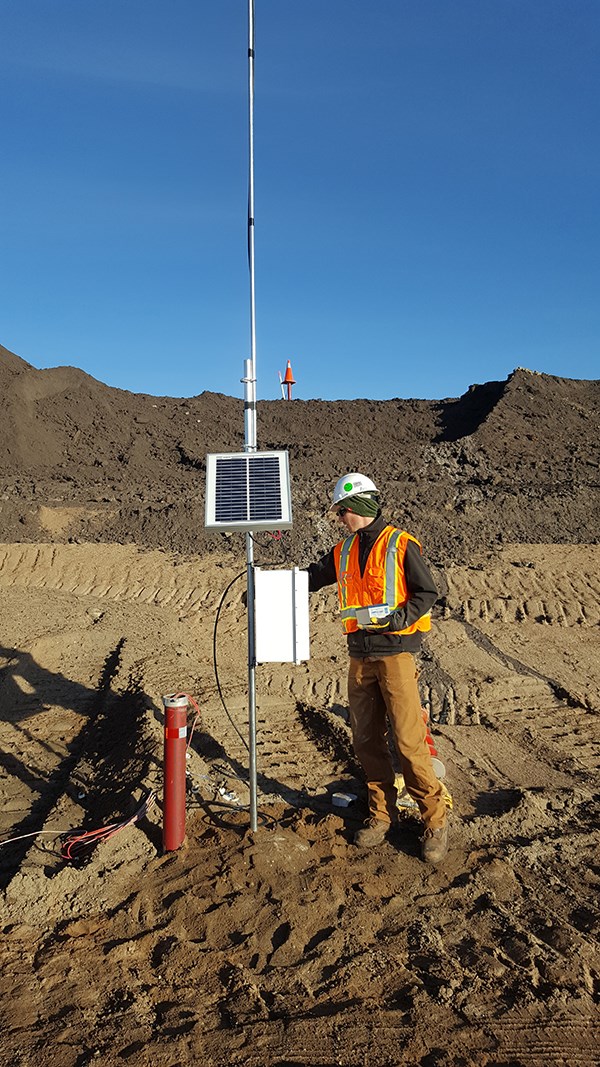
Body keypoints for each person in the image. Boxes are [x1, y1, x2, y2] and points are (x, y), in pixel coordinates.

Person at [307, 472, 448, 865]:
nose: (340, 518)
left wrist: (401, 618)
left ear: (362, 508)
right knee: (366, 739)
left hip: (396, 653)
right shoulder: (345, 550)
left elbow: (427, 592)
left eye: (344, 511)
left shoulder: (401, 544)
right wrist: (271, 588)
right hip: (359, 655)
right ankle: (381, 815)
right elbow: (314, 576)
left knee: (407, 740)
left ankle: (434, 821)